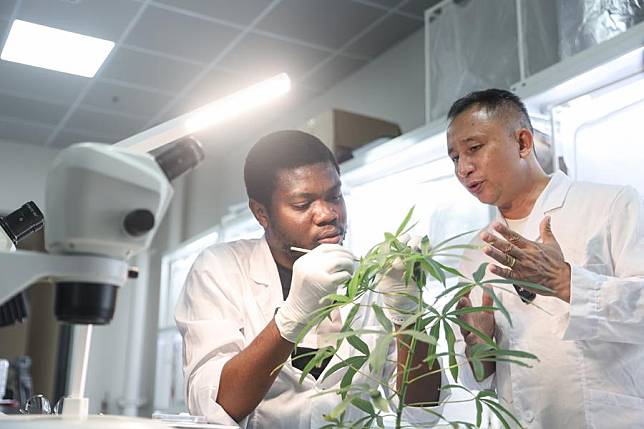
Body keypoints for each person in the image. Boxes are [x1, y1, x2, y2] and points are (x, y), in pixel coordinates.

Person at [175, 130, 447, 428]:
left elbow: (423, 412)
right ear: (261, 213)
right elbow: (216, 406)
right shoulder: (220, 269)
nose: (328, 214)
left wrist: (409, 315)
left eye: (335, 196)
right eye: (303, 205)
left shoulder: (374, 278)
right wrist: (291, 319)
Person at [446, 88, 644, 428]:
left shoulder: (609, 206)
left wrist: (567, 283)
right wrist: (478, 346)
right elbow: (477, 379)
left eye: (474, 148)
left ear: (523, 143)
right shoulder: (473, 253)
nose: (464, 168)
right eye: (454, 158)